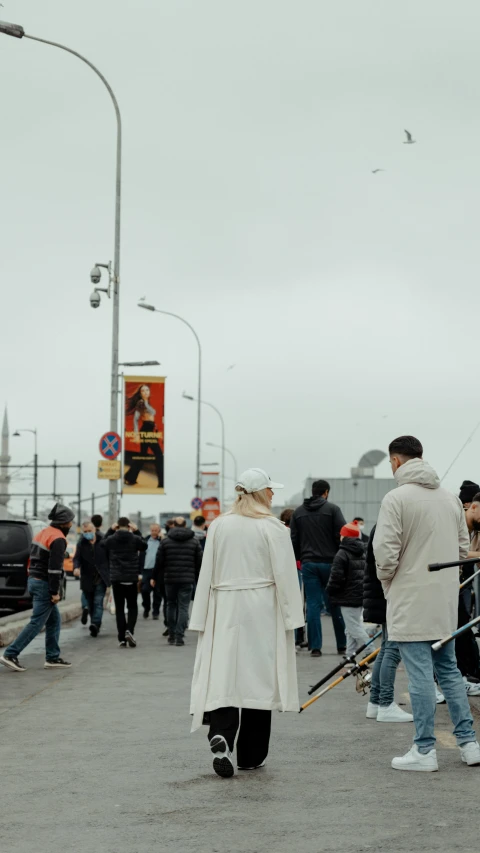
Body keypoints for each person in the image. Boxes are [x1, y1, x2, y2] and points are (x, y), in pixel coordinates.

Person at [189, 468, 304, 778]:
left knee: (225, 673)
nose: (273, 494)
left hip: (224, 604)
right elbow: (285, 575)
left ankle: (222, 734)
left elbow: (207, 571)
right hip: (261, 606)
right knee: (258, 678)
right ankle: (251, 755)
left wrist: (201, 614)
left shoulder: (218, 526)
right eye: (269, 489)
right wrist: (294, 616)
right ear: (258, 493)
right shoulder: (273, 528)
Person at [374, 435, 480, 771]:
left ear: (395, 461)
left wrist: (390, 582)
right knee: (448, 671)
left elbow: (385, 554)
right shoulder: (450, 499)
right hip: (444, 599)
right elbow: (463, 550)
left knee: (419, 673)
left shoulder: (396, 498)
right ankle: (469, 743)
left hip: (410, 596)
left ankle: (424, 750)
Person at [1, 504, 74, 672]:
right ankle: (10, 654)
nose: (71, 524)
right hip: (44, 583)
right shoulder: (58, 539)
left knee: (54, 620)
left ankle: (52, 657)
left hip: (34, 579)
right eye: (70, 521)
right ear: (63, 522)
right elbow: (54, 569)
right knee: (36, 622)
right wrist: (55, 592)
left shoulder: (43, 533)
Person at [290, 479, 347, 657]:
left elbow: (293, 539)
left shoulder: (298, 512)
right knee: (335, 603)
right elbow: (342, 533)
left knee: (313, 604)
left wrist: (300, 558)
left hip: (309, 564)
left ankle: (315, 647)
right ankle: (341, 645)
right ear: (326, 492)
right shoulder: (333, 510)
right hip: (331, 563)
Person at [363, 525, 413, 723]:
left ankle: (376, 704)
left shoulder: (381, 525)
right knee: (392, 650)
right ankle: (385, 704)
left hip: (381, 595)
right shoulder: (389, 526)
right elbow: (390, 563)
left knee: (386, 649)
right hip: (389, 595)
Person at [152, 517, 203, 647]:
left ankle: (172, 635)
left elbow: (159, 562)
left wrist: (155, 577)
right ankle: (180, 636)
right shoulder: (194, 542)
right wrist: (197, 578)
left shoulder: (165, 542)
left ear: (173, 525)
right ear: (186, 525)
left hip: (170, 579)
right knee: (184, 607)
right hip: (187, 579)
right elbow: (200, 563)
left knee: (171, 605)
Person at [326, 522, 370, 656]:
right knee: (351, 627)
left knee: (354, 627)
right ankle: (350, 654)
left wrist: (330, 590)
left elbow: (336, 576)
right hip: (359, 594)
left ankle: (371, 650)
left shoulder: (342, 553)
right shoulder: (362, 551)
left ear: (344, 536)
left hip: (346, 596)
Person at [103, 517, 147, 647]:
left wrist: (110, 530)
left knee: (120, 609)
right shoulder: (135, 538)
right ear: (129, 526)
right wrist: (137, 531)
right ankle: (129, 631)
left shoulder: (112, 539)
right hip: (131, 578)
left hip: (117, 579)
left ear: (117, 526)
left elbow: (102, 543)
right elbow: (145, 545)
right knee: (132, 606)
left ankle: (122, 638)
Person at [73, 522, 110, 637]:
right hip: (87, 578)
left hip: (101, 577)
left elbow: (110, 557)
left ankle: (95, 624)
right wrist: (76, 568)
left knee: (98, 602)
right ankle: (93, 620)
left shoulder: (103, 541)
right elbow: (77, 558)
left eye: (89, 531)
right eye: (85, 532)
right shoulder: (81, 543)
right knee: (90, 603)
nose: (88, 533)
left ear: (94, 530)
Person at [123, 384, 164, 488]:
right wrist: (136, 434)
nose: (146, 392)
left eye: (147, 390)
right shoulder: (141, 403)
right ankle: (161, 484)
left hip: (149, 429)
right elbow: (136, 419)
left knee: (143, 455)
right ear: (140, 393)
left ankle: (130, 477)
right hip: (146, 430)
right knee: (159, 456)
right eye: (143, 391)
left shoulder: (145, 402)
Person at [281, 508, 306, 648]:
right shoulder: (296, 532)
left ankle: (293, 636)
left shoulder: (279, 531)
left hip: (284, 568)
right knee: (297, 602)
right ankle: (298, 637)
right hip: (297, 567)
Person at [139, 523, 164, 620]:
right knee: (145, 590)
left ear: (159, 531)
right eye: (152, 530)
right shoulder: (145, 541)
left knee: (157, 592)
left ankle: (156, 612)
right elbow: (140, 555)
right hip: (146, 570)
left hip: (158, 570)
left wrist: (162, 539)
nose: (154, 532)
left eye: (156, 530)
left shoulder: (162, 541)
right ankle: (146, 607)